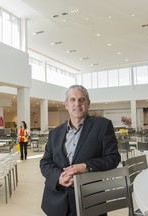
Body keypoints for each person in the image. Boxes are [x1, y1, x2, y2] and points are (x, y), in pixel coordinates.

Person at [40, 85, 121, 216]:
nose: (77, 104)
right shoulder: (55, 132)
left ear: (88, 104)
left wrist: (85, 167)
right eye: (72, 100)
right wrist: (58, 178)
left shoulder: (103, 125)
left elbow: (113, 158)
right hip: (56, 200)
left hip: (89, 198)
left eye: (81, 100)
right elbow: (45, 162)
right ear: (66, 104)